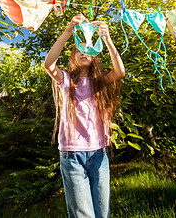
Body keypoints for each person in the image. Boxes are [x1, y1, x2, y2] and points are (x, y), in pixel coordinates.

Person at [44, 13, 125, 218]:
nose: (83, 51)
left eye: (88, 48)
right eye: (78, 48)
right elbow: (48, 65)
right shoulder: (66, 81)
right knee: (83, 214)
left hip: (99, 154)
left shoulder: (100, 82)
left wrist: (107, 39)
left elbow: (120, 72)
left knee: (102, 212)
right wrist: (69, 29)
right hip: (72, 156)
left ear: (94, 55)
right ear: (72, 56)